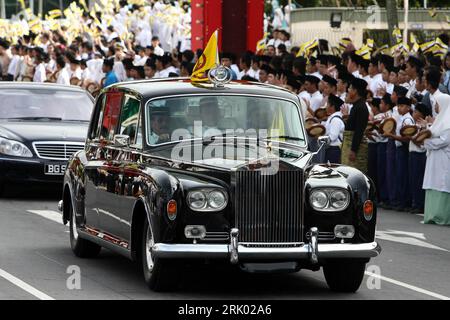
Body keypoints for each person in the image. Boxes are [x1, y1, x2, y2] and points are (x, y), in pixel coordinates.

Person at [422, 93, 450, 225]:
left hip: (443, 159)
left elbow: (444, 141)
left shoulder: (448, 121)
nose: (435, 106)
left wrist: (426, 142)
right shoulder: (440, 120)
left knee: (442, 183)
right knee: (433, 183)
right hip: (434, 158)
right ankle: (431, 215)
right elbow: (432, 133)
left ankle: (442, 217)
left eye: (437, 103)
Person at [384, 96, 414, 211]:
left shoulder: (407, 120)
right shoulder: (402, 118)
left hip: (403, 149)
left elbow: (406, 138)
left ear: (407, 108)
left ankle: (404, 202)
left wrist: (391, 136)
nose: (399, 108)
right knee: (398, 175)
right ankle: (399, 201)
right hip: (398, 149)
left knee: (402, 176)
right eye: (398, 106)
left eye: (402, 106)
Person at [341, 77, 369, 173]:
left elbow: (359, 130)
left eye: (350, 88)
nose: (348, 90)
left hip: (354, 148)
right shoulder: (356, 106)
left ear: (355, 91)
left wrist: (353, 150)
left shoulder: (361, 107)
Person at [409, 103, 431, 214]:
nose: (414, 113)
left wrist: (412, 138)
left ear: (422, 114)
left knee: (418, 180)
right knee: (413, 179)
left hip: (419, 155)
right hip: (413, 154)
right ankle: (414, 202)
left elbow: (422, 144)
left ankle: (419, 204)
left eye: (416, 111)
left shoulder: (424, 126)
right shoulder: (414, 125)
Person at [324, 94, 345, 163]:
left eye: (327, 104)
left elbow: (332, 137)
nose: (326, 107)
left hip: (334, 150)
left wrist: (320, 139)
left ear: (332, 106)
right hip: (331, 149)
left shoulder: (335, 120)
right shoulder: (332, 118)